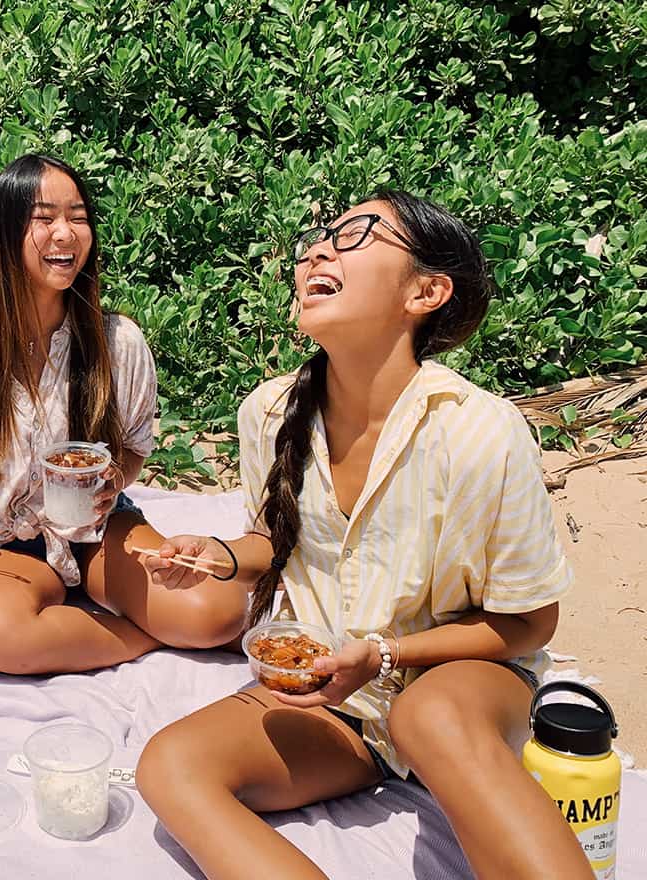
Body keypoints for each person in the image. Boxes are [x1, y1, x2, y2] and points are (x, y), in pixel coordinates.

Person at [135, 191, 591, 879]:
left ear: (426, 291)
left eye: (357, 235)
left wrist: (386, 653)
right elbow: (276, 541)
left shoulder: (478, 433)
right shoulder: (268, 411)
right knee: (170, 765)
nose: (318, 249)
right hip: (333, 694)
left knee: (428, 716)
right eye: (318, 238)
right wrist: (223, 557)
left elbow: (531, 621)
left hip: (462, 679)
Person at [0, 154, 245, 676]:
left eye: (78, 217)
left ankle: (110, 621)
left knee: (217, 616)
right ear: (5, 233)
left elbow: (130, 448)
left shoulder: (116, 341)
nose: (65, 234)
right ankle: (140, 636)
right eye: (44, 219)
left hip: (97, 525)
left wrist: (113, 479)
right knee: (1, 640)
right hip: (2, 537)